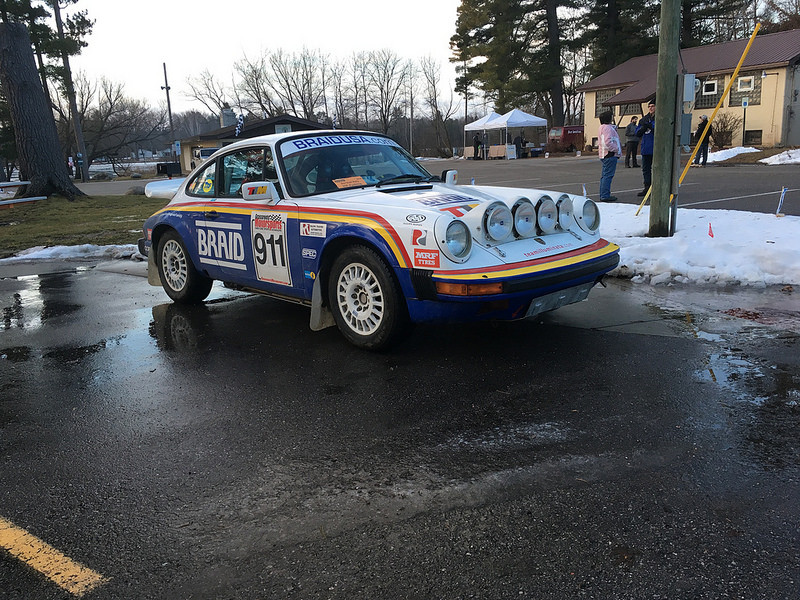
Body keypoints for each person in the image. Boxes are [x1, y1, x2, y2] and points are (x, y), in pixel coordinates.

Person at [597, 111, 621, 202]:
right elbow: (607, 142)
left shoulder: (603, 127)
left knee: (605, 175)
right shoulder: (608, 129)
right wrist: (616, 149)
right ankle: (605, 195)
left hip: (605, 154)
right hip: (609, 154)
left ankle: (604, 194)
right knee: (608, 175)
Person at [636, 100, 656, 196]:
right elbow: (637, 132)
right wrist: (643, 128)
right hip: (646, 148)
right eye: (649, 106)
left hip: (656, 148)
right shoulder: (644, 119)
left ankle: (656, 187)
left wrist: (651, 126)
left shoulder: (659, 118)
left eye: (653, 106)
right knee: (646, 169)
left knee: (656, 169)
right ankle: (647, 187)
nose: (651, 108)